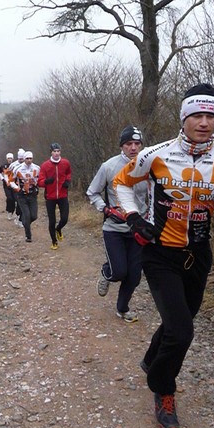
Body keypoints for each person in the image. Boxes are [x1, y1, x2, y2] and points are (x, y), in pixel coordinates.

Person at [113, 83, 214, 428]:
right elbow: (122, 183)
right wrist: (133, 219)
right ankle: (163, 390)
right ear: (184, 118)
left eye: (211, 115)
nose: (204, 122)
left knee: (181, 320)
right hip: (160, 253)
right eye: (197, 115)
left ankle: (151, 359)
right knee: (182, 331)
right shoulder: (156, 154)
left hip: (199, 255)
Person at [86, 126, 147, 323]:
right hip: (114, 228)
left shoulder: (151, 165)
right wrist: (104, 208)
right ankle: (107, 273)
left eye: (137, 144)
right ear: (122, 145)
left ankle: (122, 308)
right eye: (129, 144)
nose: (133, 148)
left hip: (139, 228)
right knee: (119, 271)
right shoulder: (109, 166)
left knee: (134, 276)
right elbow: (92, 192)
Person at [38, 143, 72, 250]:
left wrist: (67, 181)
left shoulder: (65, 163)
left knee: (65, 218)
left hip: (62, 195)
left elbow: (69, 173)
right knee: (51, 221)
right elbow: (40, 181)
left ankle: (59, 229)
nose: (57, 153)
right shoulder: (45, 165)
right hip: (50, 196)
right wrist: (46, 182)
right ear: (51, 152)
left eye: (58, 151)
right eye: (54, 151)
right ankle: (54, 241)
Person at [11, 151, 40, 242]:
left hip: (33, 194)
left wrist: (38, 185)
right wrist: (17, 188)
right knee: (27, 215)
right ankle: (28, 236)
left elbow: (40, 178)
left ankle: (25, 223)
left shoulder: (37, 168)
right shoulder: (17, 168)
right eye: (27, 158)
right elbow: (11, 180)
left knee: (34, 216)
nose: (29, 160)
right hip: (22, 195)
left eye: (30, 158)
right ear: (24, 159)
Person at [7, 148, 25, 227]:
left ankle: (20, 217)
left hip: (25, 186)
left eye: (22, 159)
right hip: (15, 187)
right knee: (19, 201)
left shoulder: (28, 164)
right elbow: (7, 173)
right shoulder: (13, 165)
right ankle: (19, 217)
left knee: (23, 203)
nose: (21, 160)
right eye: (19, 159)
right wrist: (9, 182)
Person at [0, 152, 16, 220]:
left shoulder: (15, 165)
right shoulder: (3, 166)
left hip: (14, 184)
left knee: (14, 199)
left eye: (11, 158)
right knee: (9, 198)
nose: (10, 159)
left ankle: (13, 212)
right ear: (7, 159)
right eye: (8, 158)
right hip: (6, 185)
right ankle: (9, 211)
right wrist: (2, 178)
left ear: (13, 158)